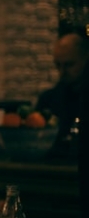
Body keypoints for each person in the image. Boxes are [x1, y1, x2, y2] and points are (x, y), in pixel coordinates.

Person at [35, 31, 87, 160]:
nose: (62, 72)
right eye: (58, 65)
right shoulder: (48, 100)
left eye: (69, 65)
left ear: (85, 59)